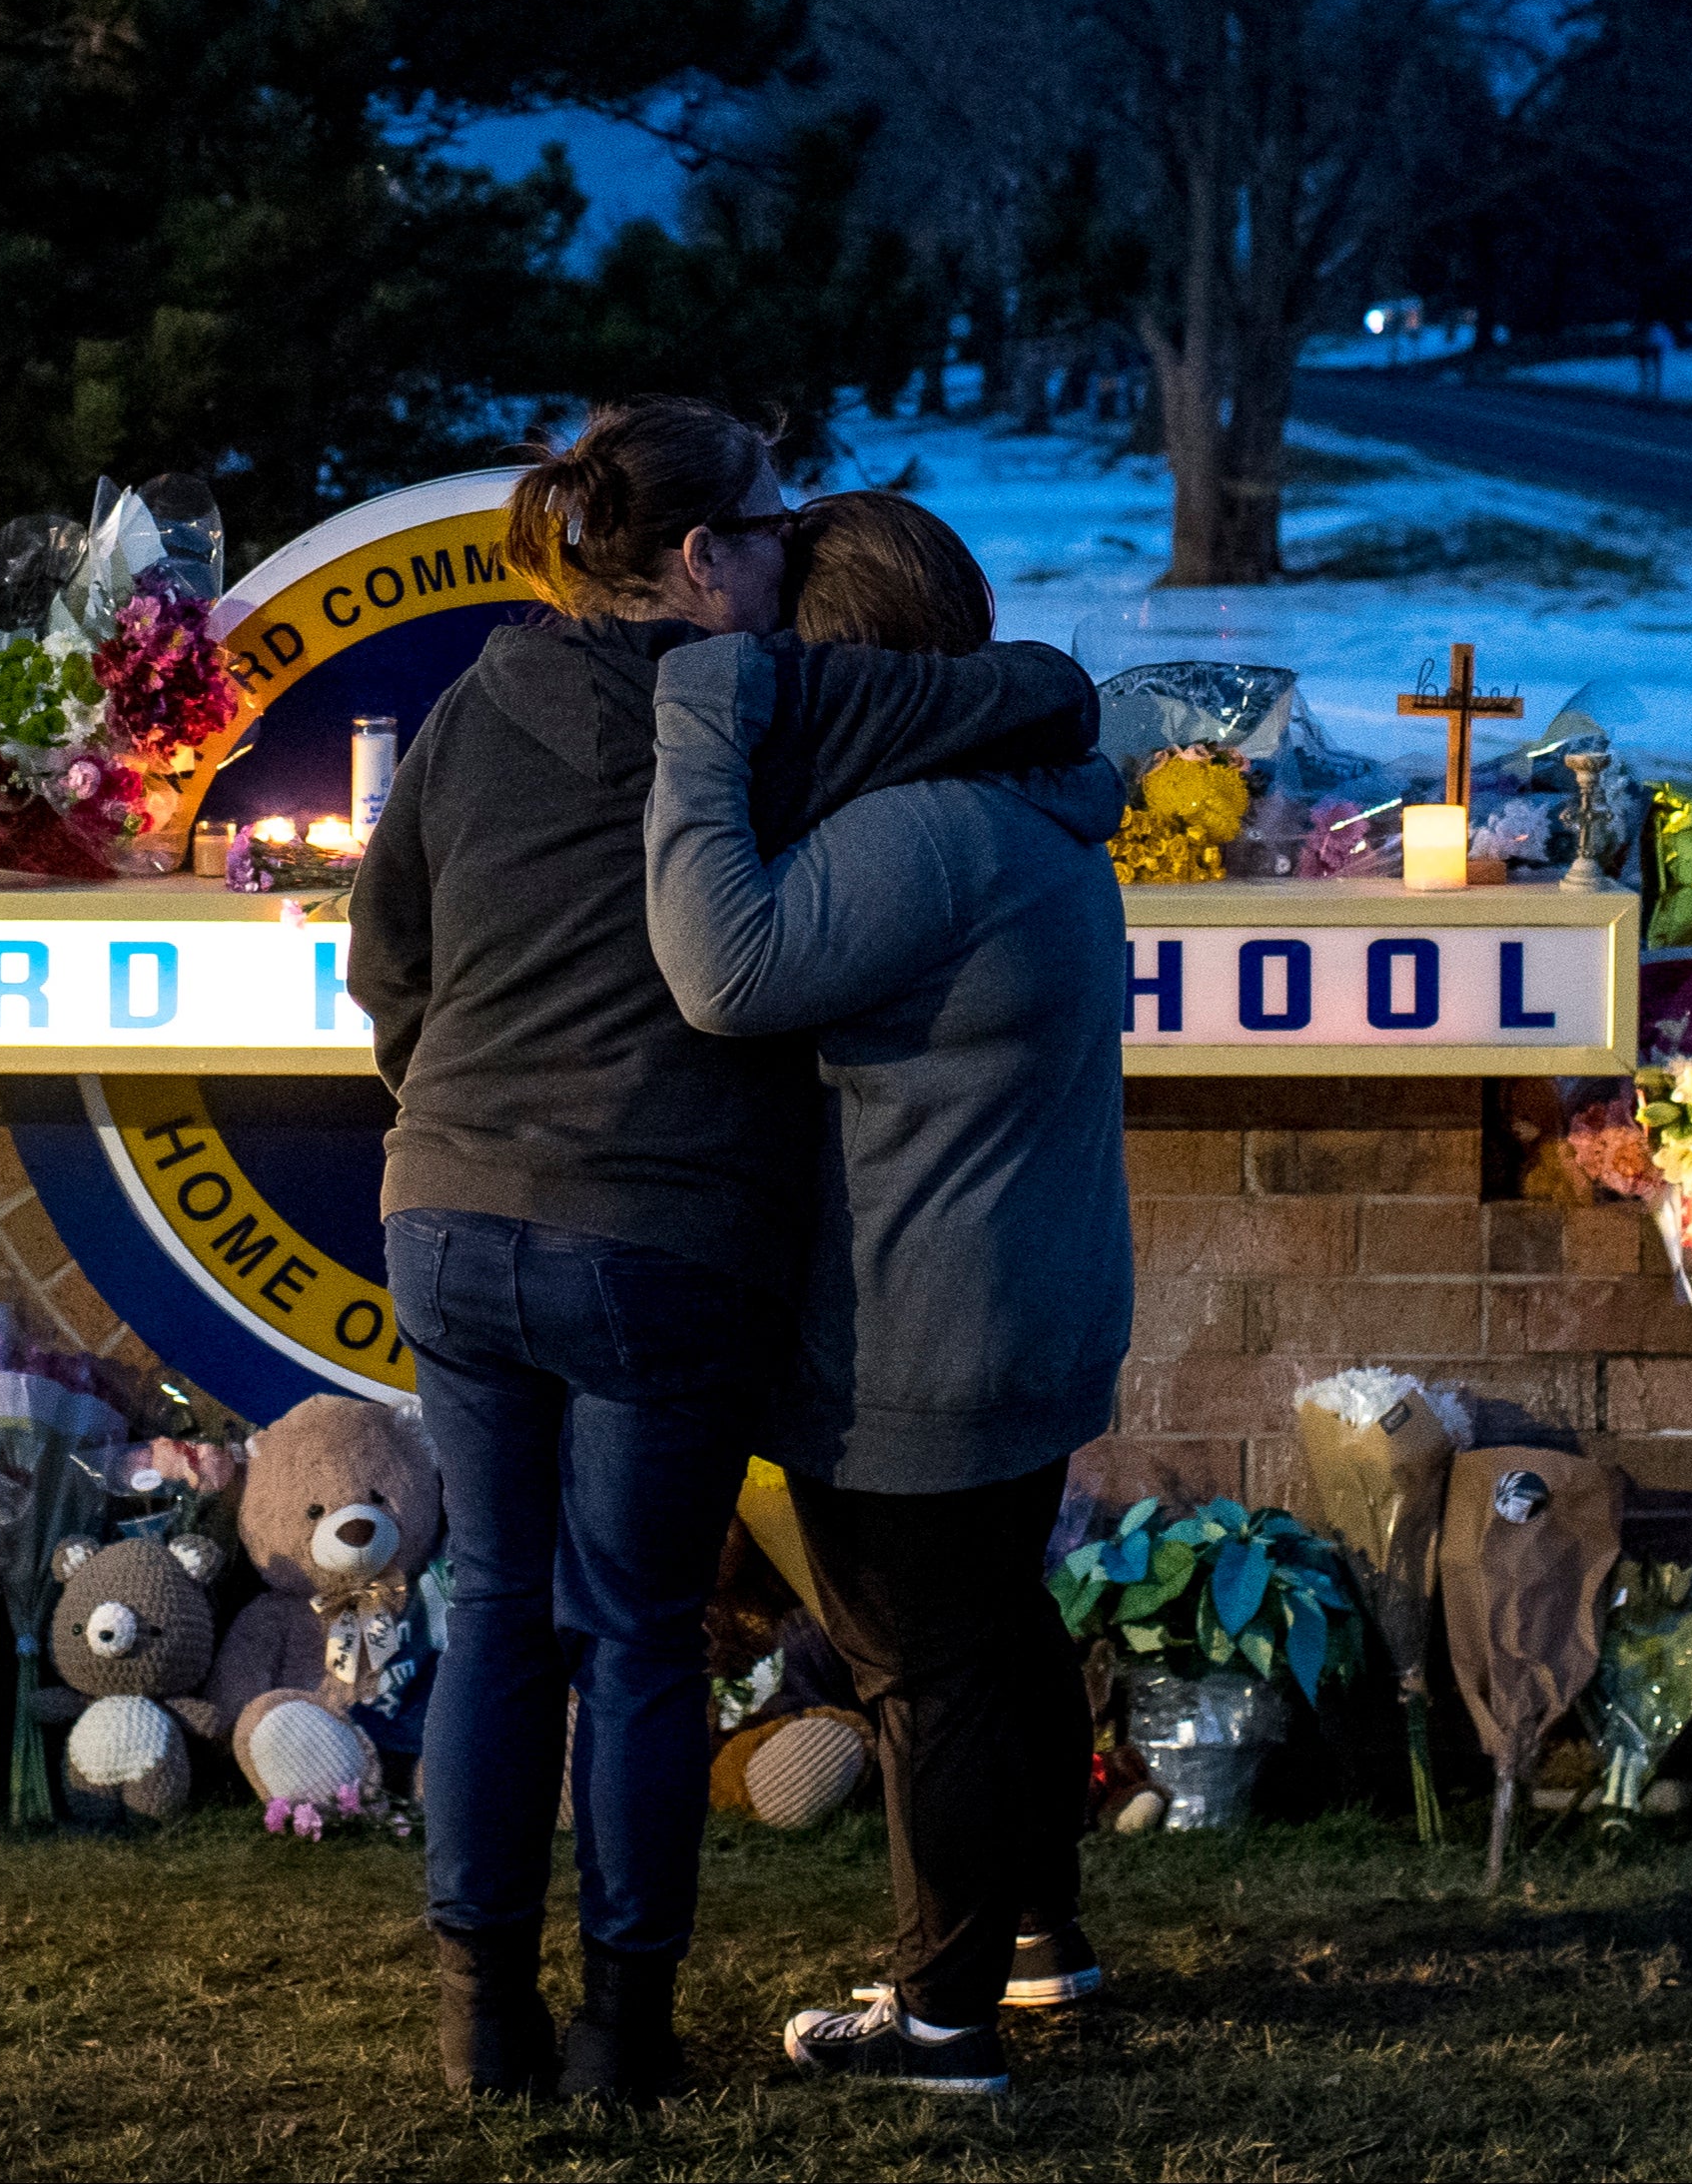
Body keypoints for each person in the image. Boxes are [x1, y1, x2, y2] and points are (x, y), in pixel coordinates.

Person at [348, 401, 1101, 2106]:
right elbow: (1042, 689)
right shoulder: (778, 706)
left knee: (492, 1614)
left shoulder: (484, 697)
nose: (794, 548)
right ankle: (619, 2034)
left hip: (446, 1211)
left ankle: (481, 2019)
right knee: (632, 1639)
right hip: (653, 1235)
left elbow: (387, 955)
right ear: (703, 558)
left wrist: (448, 1110)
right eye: (770, 527)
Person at [639, 491, 1135, 2100]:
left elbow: (724, 970)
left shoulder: (922, 829)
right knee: (996, 1632)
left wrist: (703, 732)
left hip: (921, 1321)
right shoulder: (1036, 806)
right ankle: (1036, 1939)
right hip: (1032, 1299)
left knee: (925, 1669)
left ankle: (939, 2022)